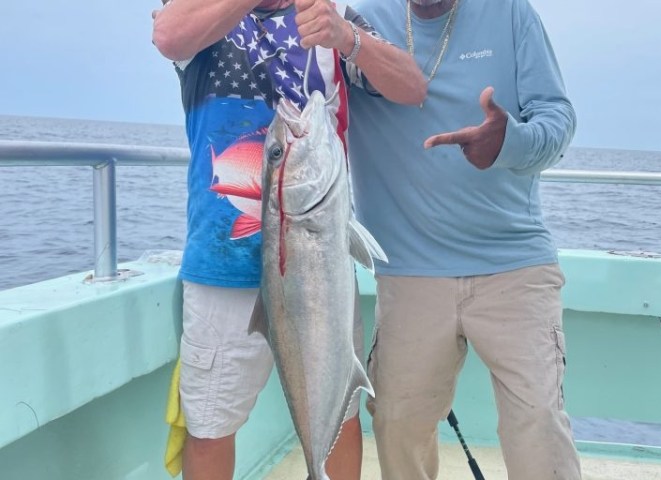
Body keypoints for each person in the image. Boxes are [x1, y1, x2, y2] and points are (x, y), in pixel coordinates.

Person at [151, 1, 426, 479]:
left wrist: (347, 38)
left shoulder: (329, 17)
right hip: (222, 266)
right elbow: (169, 36)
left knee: (339, 417)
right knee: (211, 423)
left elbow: (412, 87)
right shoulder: (206, 12)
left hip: (321, 260)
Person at [347, 0, 582, 478]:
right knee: (397, 423)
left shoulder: (512, 13)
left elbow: (558, 118)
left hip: (514, 265)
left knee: (537, 420)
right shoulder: (360, 23)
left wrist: (509, 141)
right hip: (409, 272)